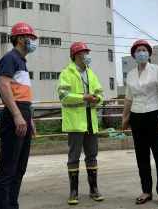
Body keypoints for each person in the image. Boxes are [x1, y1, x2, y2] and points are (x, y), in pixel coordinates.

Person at [0, 22, 37, 209]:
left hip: (22, 113)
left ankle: (11, 204)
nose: (33, 41)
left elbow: (21, 94)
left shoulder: (22, 62)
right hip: (13, 115)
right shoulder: (10, 58)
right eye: (30, 38)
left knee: (19, 167)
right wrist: (17, 115)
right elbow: (4, 86)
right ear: (19, 38)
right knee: (8, 168)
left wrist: (28, 118)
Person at [122, 40, 158, 208]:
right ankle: (146, 191)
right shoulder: (130, 75)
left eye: (144, 50)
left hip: (155, 115)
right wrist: (125, 117)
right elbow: (128, 97)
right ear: (134, 54)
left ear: (149, 53)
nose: (141, 53)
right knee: (142, 156)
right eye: (138, 50)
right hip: (137, 117)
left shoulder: (157, 70)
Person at [58, 42, 105, 205]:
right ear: (77, 55)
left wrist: (97, 99)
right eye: (85, 53)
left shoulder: (91, 74)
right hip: (75, 122)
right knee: (74, 158)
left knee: (92, 155)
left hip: (90, 120)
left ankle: (94, 189)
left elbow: (100, 94)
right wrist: (83, 98)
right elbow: (63, 96)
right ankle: (74, 191)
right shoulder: (66, 73)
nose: (88, 55)